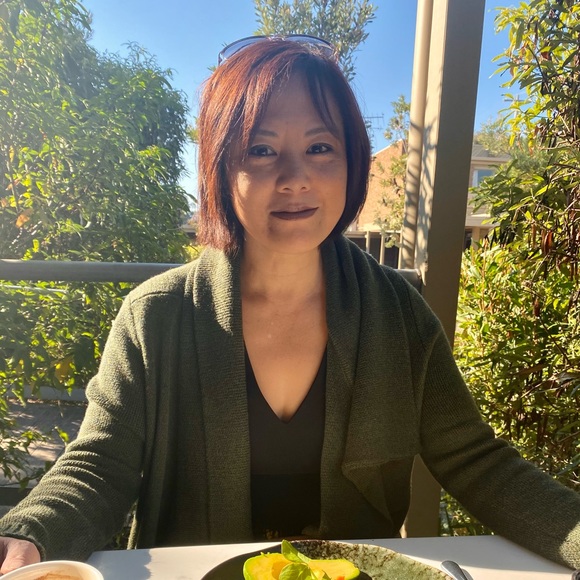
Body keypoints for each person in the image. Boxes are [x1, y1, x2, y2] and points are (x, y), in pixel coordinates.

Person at [0, 35, 579, 575]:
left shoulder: (398, 315)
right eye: (261, 149)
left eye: (320, 147)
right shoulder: (156, 317)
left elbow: (477, 460)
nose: (295, 178)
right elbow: (101, 463)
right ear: (221, 169)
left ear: (352, 161)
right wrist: (29, 535)